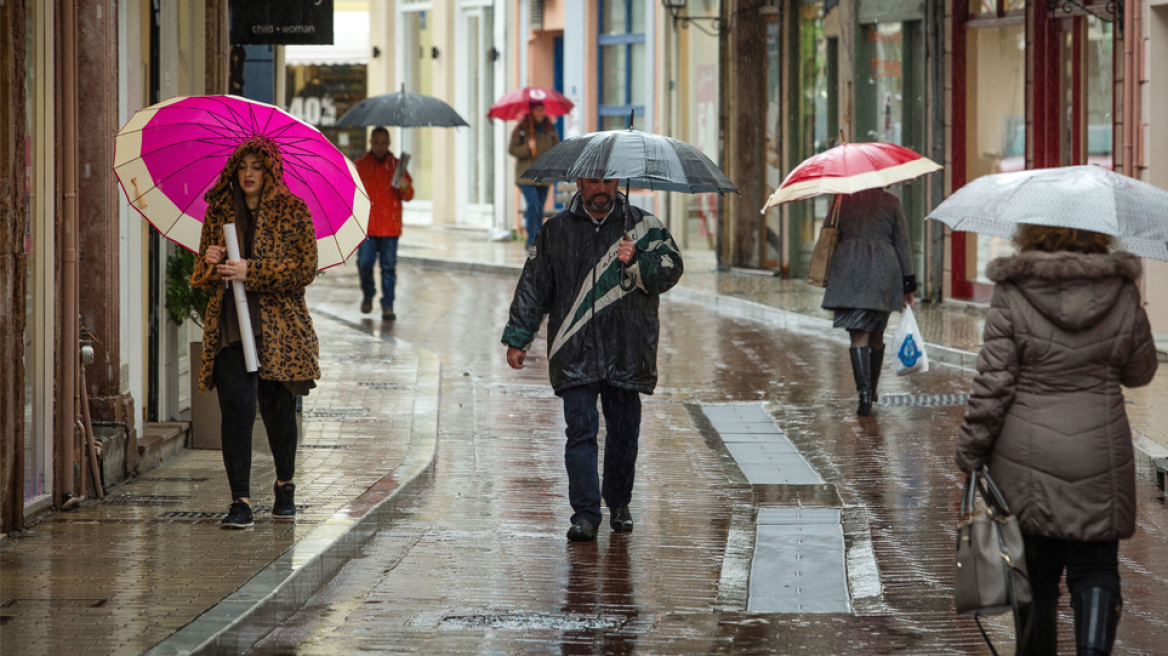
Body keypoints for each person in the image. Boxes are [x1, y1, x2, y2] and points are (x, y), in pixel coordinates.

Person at [956, 225, 1157, 656]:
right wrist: (1133, 312)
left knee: (1035, 576)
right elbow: (1139, 372)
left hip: (1026, 456)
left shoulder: (1012, 291)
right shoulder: (1120, 289)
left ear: (1032, 233)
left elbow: (993, 385)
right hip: (1099, 453)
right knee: (1097, 568)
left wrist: (971, 451)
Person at [501, 178, 684, 542]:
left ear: (617, 182)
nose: (600, 188)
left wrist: (639, 261)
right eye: (593, 182)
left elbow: (672, 268)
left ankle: (618, 502)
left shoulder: (643, 226)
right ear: (580, 183)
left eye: (607, 181)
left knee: (623, 432)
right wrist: (520, 337)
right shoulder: (555, 231)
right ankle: (585, 514)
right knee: (580, 432)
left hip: (628, 347)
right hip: (575, 347)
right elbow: (534, 285)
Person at [191, 136, 321, 529]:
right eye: (243, 166)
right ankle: (240, 502)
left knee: (278, 409)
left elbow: (305, 269)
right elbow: (200, 274)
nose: (249, 173)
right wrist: (211, 261)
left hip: (278, 327)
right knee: (237, 409)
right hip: (231, 323)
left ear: (270, 170)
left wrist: (254, 271)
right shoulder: (218, 213)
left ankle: (285, 485)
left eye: (257, 166)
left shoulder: (294, 210)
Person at [820, 188, 916, 416]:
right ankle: (871, 390)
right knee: (877, 332)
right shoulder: (892, 202)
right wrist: (908, 286)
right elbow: (902, 243)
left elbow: (828, 231)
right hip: (883, 272)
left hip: (849, 270)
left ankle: (863, 395)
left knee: (858, 335)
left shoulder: (842, 200)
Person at [356, 127, 414, 321]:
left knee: (388, 268)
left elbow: (408, 195)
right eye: (376, 142)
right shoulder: (360, 166)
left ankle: (388, 304)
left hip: (390, 227)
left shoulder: (398, 166)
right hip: (367, 227)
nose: (379, 147)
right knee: (364, 263)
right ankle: (369, 293)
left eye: (383, 143)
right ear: (370, 143)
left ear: (388, 143)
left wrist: (406, 188)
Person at [509, 101, 560, 246]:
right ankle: (532, 239)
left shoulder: (550, 129)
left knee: (539, 209)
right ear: (531, 111)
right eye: (536, 110)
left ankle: (535, 238)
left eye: (541, 110)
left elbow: (557, 148)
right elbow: (512, 149)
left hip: (544, 176)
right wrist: (527, 148)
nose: (540, 113)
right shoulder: (521, 129)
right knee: (534, 205)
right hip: (526, 176)